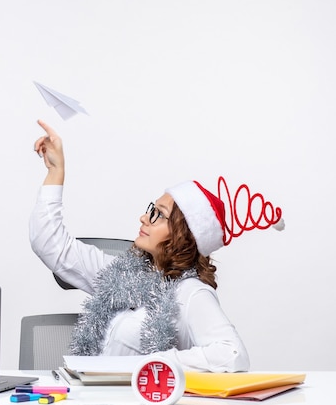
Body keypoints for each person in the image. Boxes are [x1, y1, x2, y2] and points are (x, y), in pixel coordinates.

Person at [29, 119, 284, 372]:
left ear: (183, 236)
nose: (144, 217)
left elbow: (232, 355)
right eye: (151, 209)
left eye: (158, 214)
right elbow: (51, 245)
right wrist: (55, 172)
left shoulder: (190, 294)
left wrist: (154, 363)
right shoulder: (121, 276)